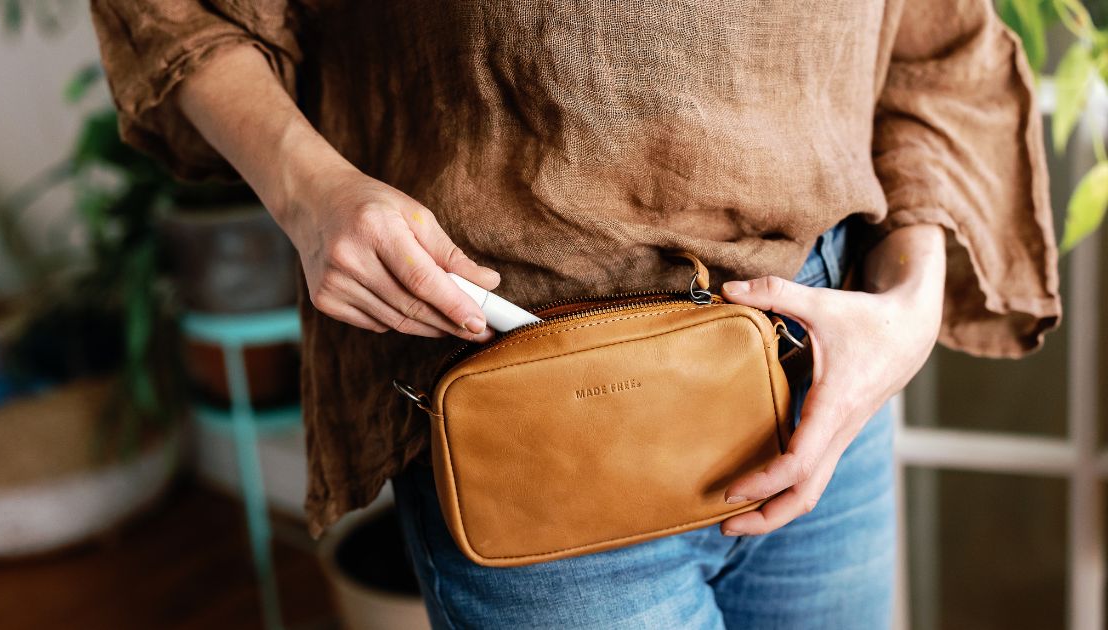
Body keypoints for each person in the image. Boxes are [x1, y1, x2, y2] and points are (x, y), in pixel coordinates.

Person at [90, 1, 1062, 627]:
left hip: (828, 383)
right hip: (524, 404)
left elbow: (939, 47)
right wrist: (304, 188)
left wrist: (907, 304)